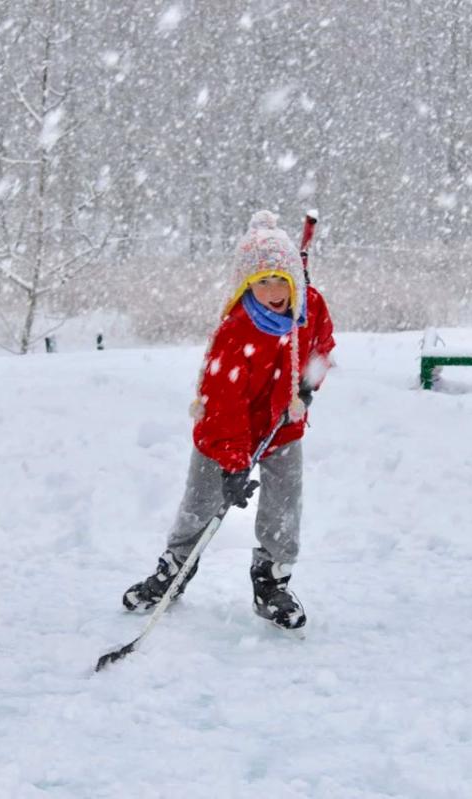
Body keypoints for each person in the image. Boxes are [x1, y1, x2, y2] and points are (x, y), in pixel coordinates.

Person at [122, 210, 335, 629]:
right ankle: (175, 569)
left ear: (294, 276)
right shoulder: (235, 330)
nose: (273, 291)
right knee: (201, 503)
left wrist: (309, 383)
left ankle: (271, 581)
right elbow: (223, 403)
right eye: (261, 282)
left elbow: (322, 345)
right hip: (225, 432)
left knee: (283, 506)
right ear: (245, 284)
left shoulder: (309, 306)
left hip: (283, 424)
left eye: (280, 279)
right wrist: (234, 463)